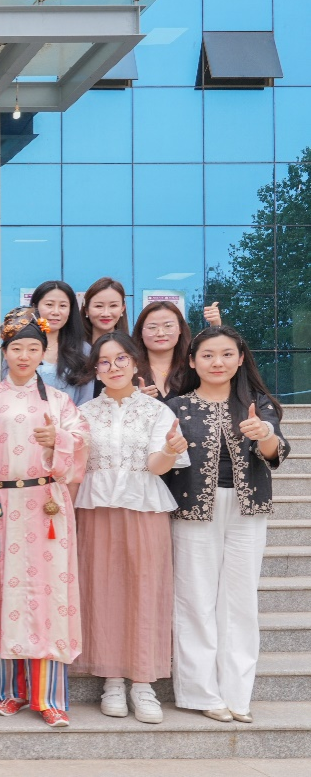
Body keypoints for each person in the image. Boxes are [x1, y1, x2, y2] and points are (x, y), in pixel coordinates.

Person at [163, 326, 288, 724]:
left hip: (247, 509)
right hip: (192, 509)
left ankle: (237, 694)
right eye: (208, 355)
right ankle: (200, 692)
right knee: (195, 600)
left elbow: (276, 451)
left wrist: (264, 433)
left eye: (227, 354)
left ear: (240, 359)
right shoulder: (174, 407)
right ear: (192, 361)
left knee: (241, 602)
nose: (217, 362)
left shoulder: (258, 404)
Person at [0, 307, 88, 728]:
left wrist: (58, 440)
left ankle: (49, 696)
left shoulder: (59, 402)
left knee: (47, 597)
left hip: (44, 507)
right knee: (1, 594)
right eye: (16, 348)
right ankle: (8, 692)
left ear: (43, 353)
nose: (24, 356)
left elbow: (82, 445)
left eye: (32, 348)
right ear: (4, 351)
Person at [74, 332, 186, 725]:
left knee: (145, 591)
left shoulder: (157, 412)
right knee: (102, 589)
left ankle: (143, 683)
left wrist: (170, 450)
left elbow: (156, 466)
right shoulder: (83, 414)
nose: (114, 367)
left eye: (121, 358)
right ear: (96, 370)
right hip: (96, 510)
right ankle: (112, 681)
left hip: (144, 509)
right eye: (104, 362)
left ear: (135, 362)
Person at [14, 280, 92, 406]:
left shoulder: (83, 349)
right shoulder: (18, 345)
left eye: (63, 306)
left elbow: (86, 400)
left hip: (72, 418)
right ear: (35, 306)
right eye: (49, 304)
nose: (56, 312)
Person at [133, 300, 224, 400]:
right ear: (140, 332)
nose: (160, 333)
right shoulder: (129, 369)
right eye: (152, 327)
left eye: (168, 326)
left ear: (180, 329)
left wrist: (216, 328)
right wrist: (134, 400)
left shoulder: (193, 367)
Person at [81, 277, 130, 345]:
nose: (106, 314)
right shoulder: (75, 349)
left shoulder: (131, 349)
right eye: (99, 306)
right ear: (86, 310)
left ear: (122, 308)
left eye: (113, 306)